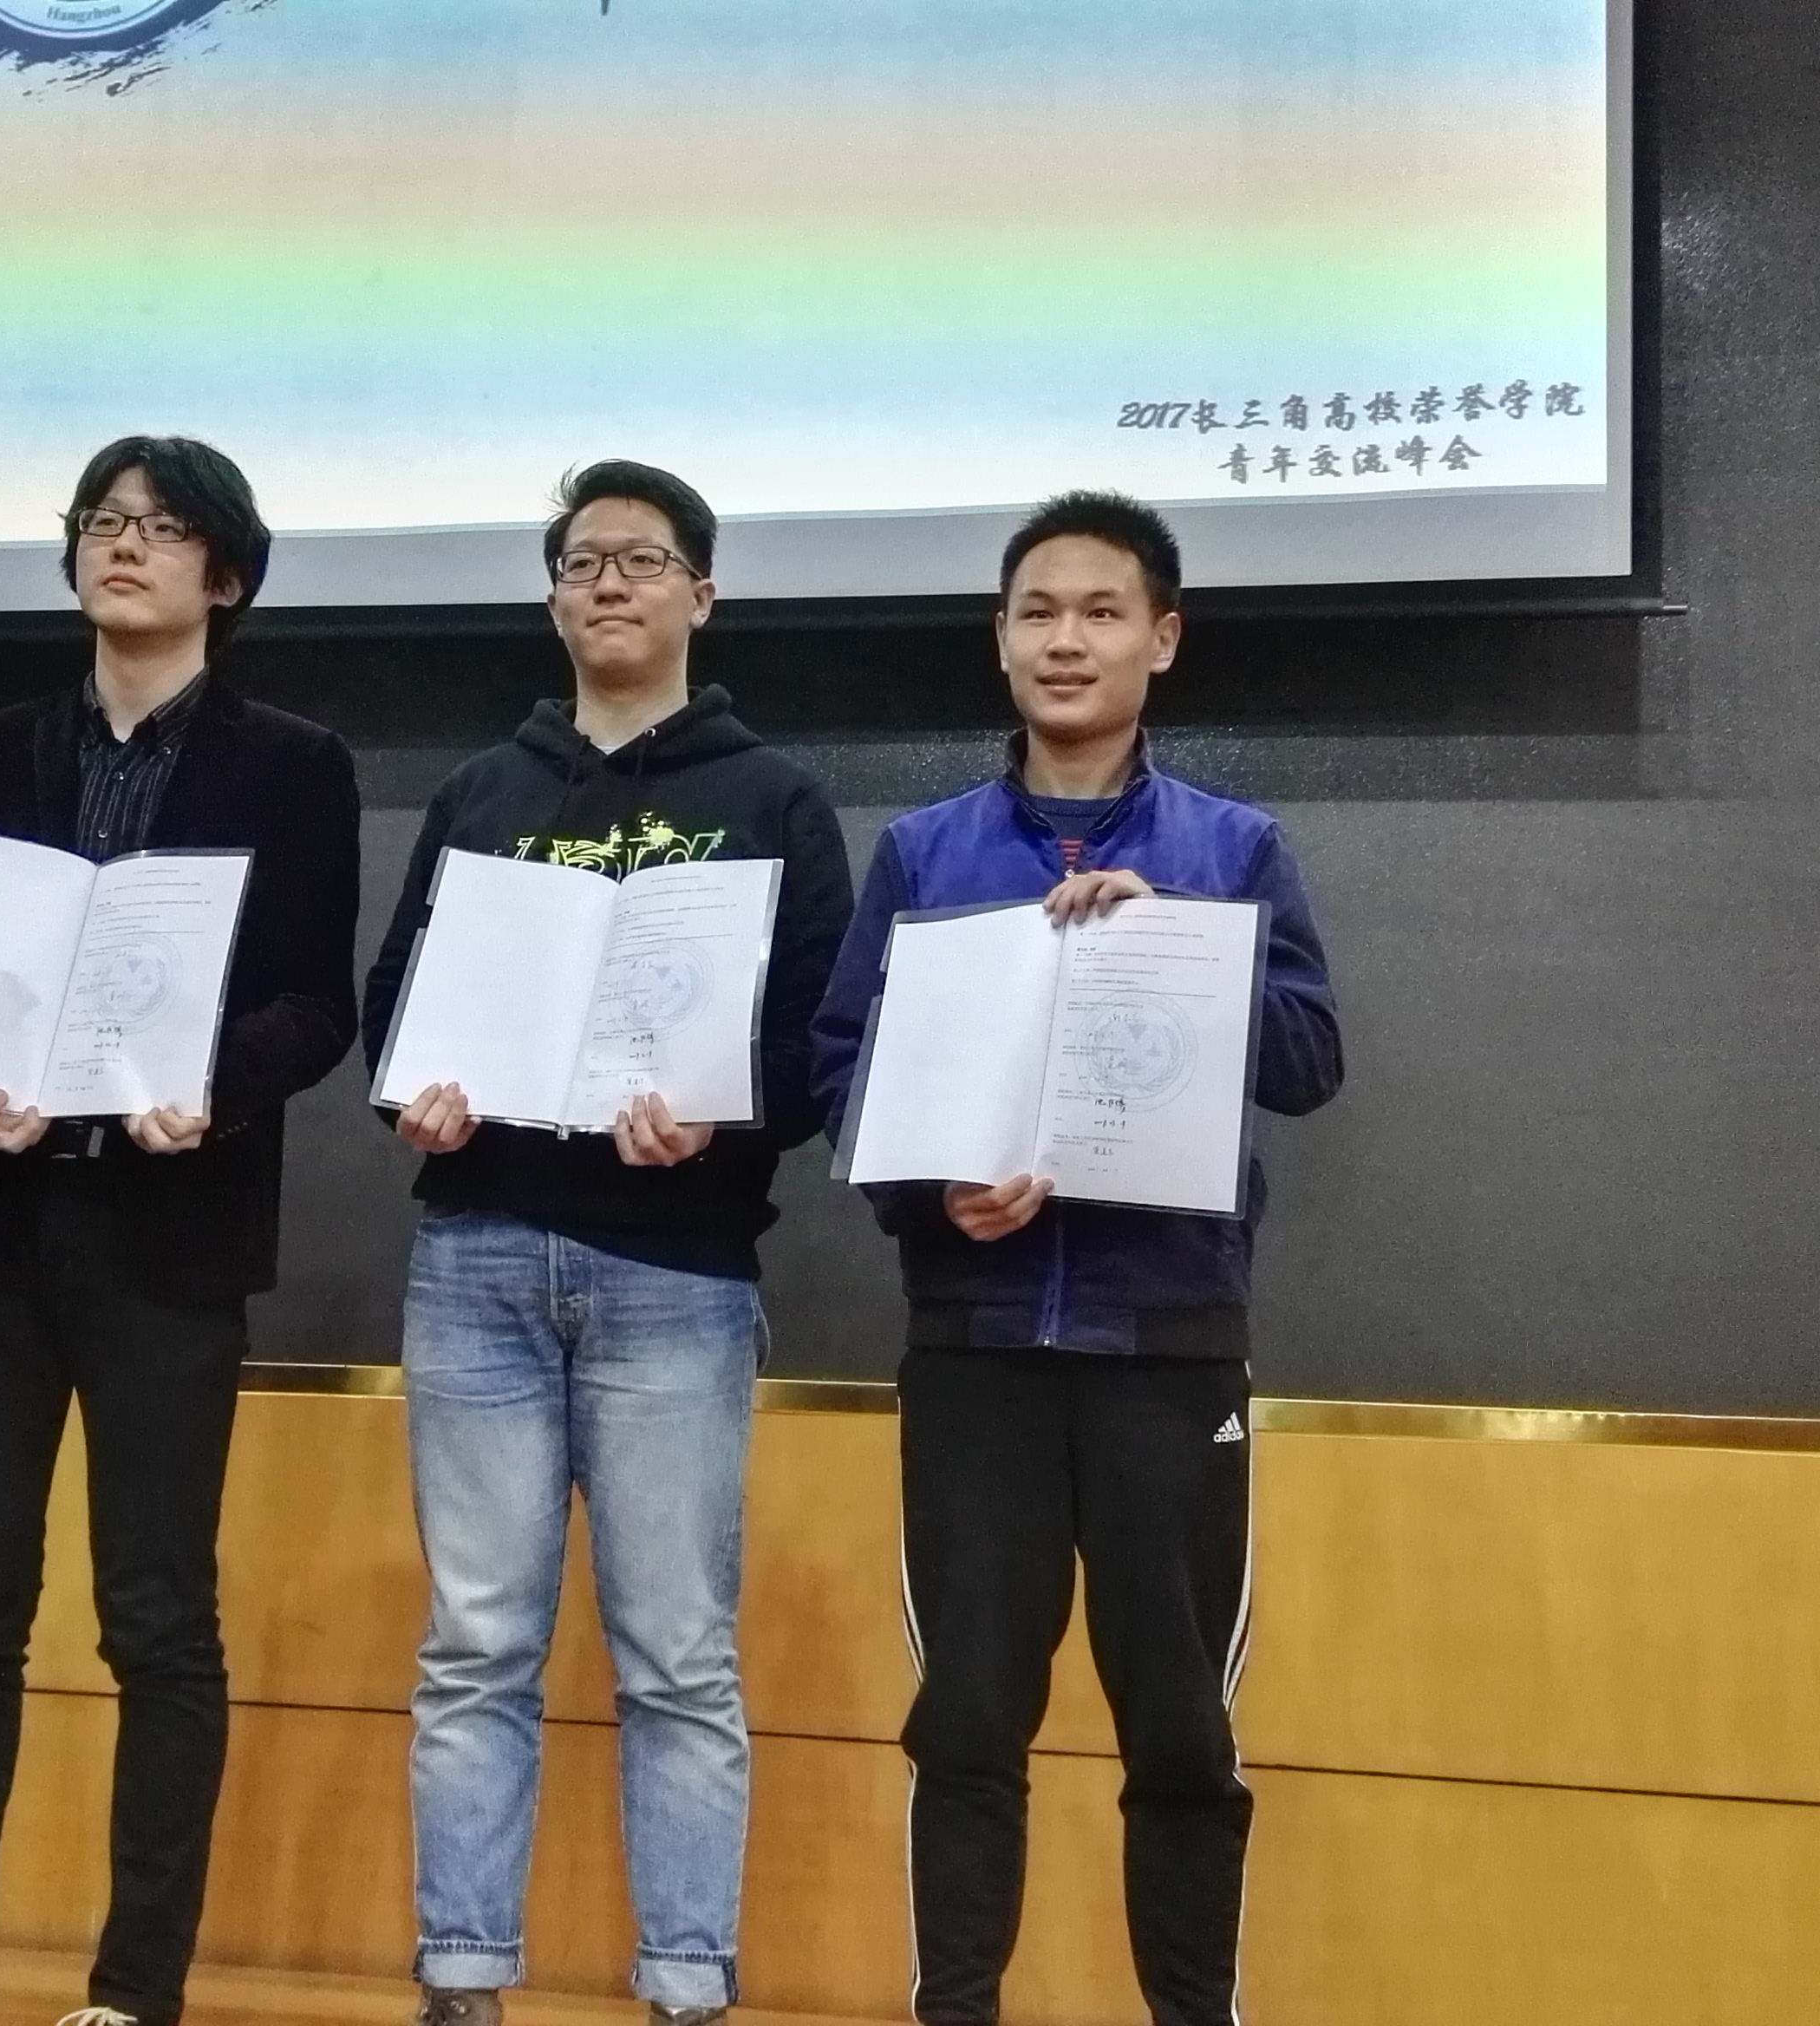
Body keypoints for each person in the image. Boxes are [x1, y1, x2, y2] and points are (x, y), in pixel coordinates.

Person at [807, 492, 1342, 2026]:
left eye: (1102, 611)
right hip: (975, 1350)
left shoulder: (1233, 848)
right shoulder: (927, 853)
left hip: (1169, 1350)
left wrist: (1178, 944)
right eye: (1037, 611)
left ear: (1161, 639)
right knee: (969, 1722)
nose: (1066, 639)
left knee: (1180, 1732)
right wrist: (933, 1201)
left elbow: (1310, 1061)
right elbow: (845, 1072)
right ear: (1000, 638)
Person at [0, 437, 362, 2026]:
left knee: (156, 1616)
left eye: (163, 527)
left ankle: (135, 1989)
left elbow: (316, 1005)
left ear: (228, 573)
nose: (123, 546)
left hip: (169, 1232)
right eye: (102, 522)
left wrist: (211, 1085)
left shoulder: (294, 763)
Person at [362, 461, 854, 2026]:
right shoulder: (482, 793)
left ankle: (688, 1984)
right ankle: (461, 1980)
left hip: (676, 1276)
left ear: (701, 593)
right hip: (478, 1258)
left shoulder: (771, 799)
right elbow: (394, 1007)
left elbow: (821, 1042)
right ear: (554, 598)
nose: (610, 585)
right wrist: (419, 1096)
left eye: (642, 561)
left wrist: (721, 1119)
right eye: (583, 563)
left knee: (678, 1658)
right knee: (474, 1645)